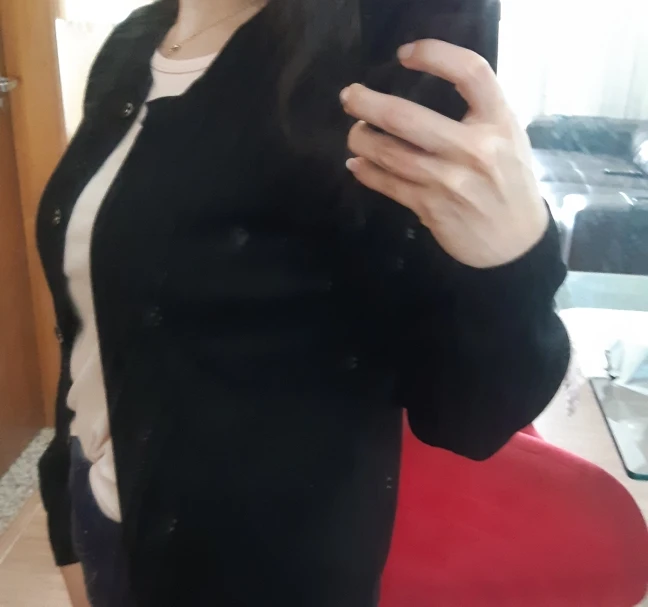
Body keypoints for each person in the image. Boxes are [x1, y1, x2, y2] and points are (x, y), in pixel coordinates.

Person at [37, 0, 570, 605]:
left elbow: (471, 413)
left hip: (268, 572)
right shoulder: (134, 41)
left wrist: (510, 256)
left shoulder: (387, 46)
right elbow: (87, 314)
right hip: (101, 514)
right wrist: (66, 515)